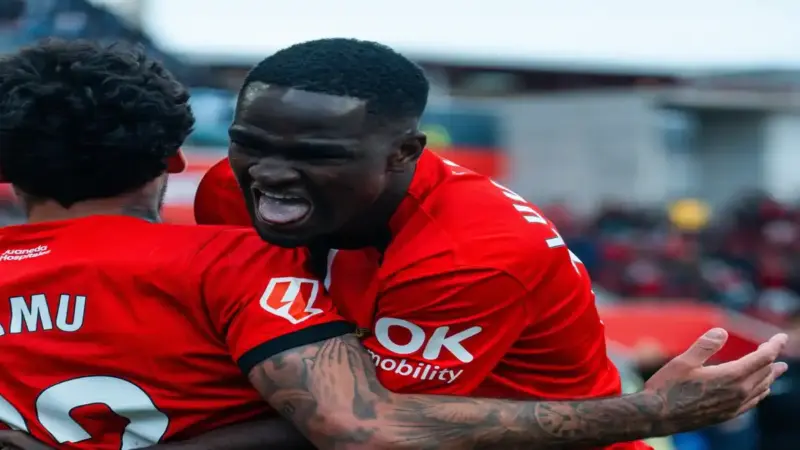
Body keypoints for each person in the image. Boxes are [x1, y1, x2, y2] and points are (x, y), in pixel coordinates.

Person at [0, 39, 787, 450]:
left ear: (405, 153)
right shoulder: (229, 198)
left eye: (317, 155)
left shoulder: (472, 252)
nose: (270, 175)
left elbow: (359, 428)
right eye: (249, 144)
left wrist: (647, 413)